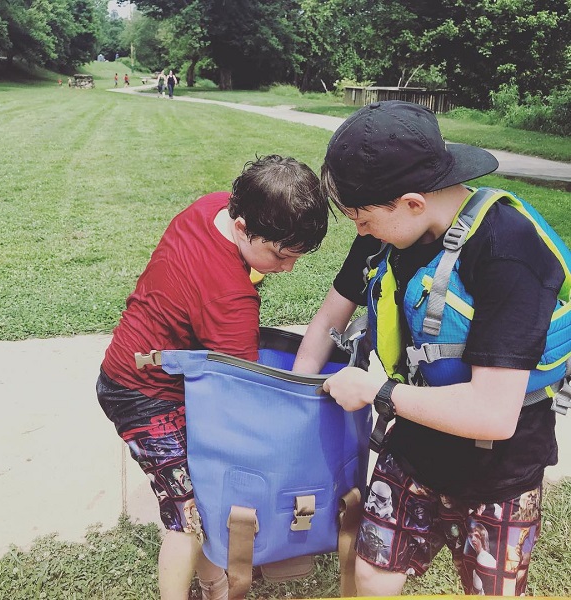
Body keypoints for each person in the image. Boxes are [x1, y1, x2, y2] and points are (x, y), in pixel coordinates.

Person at [293, 100, 567, 596]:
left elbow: (493, 414)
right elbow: (328, 320)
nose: (359, 230)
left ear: (413, 202)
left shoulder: (509, 252)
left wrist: (378, 392)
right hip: (414, 444)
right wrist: (296, 399)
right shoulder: (386, 235)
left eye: (362, 218)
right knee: (372, 570)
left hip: (500, 467)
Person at [96, 155, 328, 600]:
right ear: (242, 227)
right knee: (190, 515)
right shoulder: (231, 300)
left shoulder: (211, 207)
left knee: (205, 495)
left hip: (151, 367)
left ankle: (215, 585)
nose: (287, 269)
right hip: (141, 393)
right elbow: (241, 396)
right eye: (280, 255)